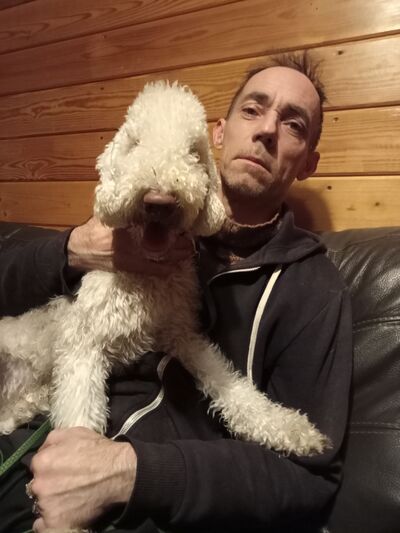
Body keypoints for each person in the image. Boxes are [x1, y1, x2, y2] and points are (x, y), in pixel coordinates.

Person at [0, 52, 352, 533]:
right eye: (253, 109)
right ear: (219, 134)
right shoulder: (131, 219)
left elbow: (310, 478)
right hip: (27, 439)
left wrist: (128, 474)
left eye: (293, 124)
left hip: (130, 503)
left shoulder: (313, 288)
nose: (267, 129)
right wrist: (72, 250)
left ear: (308, 163)